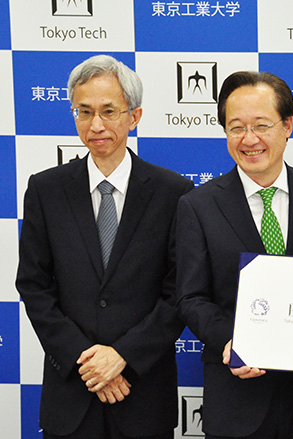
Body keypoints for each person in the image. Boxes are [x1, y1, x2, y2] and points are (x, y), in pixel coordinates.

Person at [16, 55, 193, 438]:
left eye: (109, 111)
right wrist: (90, 365)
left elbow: (179, 291)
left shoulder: (173, 193)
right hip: (71, 395)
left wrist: (122, 357)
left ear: (135, 116)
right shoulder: (46, 190)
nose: (95, 125)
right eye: (84, 111)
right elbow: (34, 286)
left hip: (143, 391)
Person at [175, 71, 293, 439]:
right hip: (238, 394)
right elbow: (191, 297)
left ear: (287, 126)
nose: (249, 139)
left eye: (261, 125)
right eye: (236, 127)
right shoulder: (198, 206)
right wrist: (231, 342)